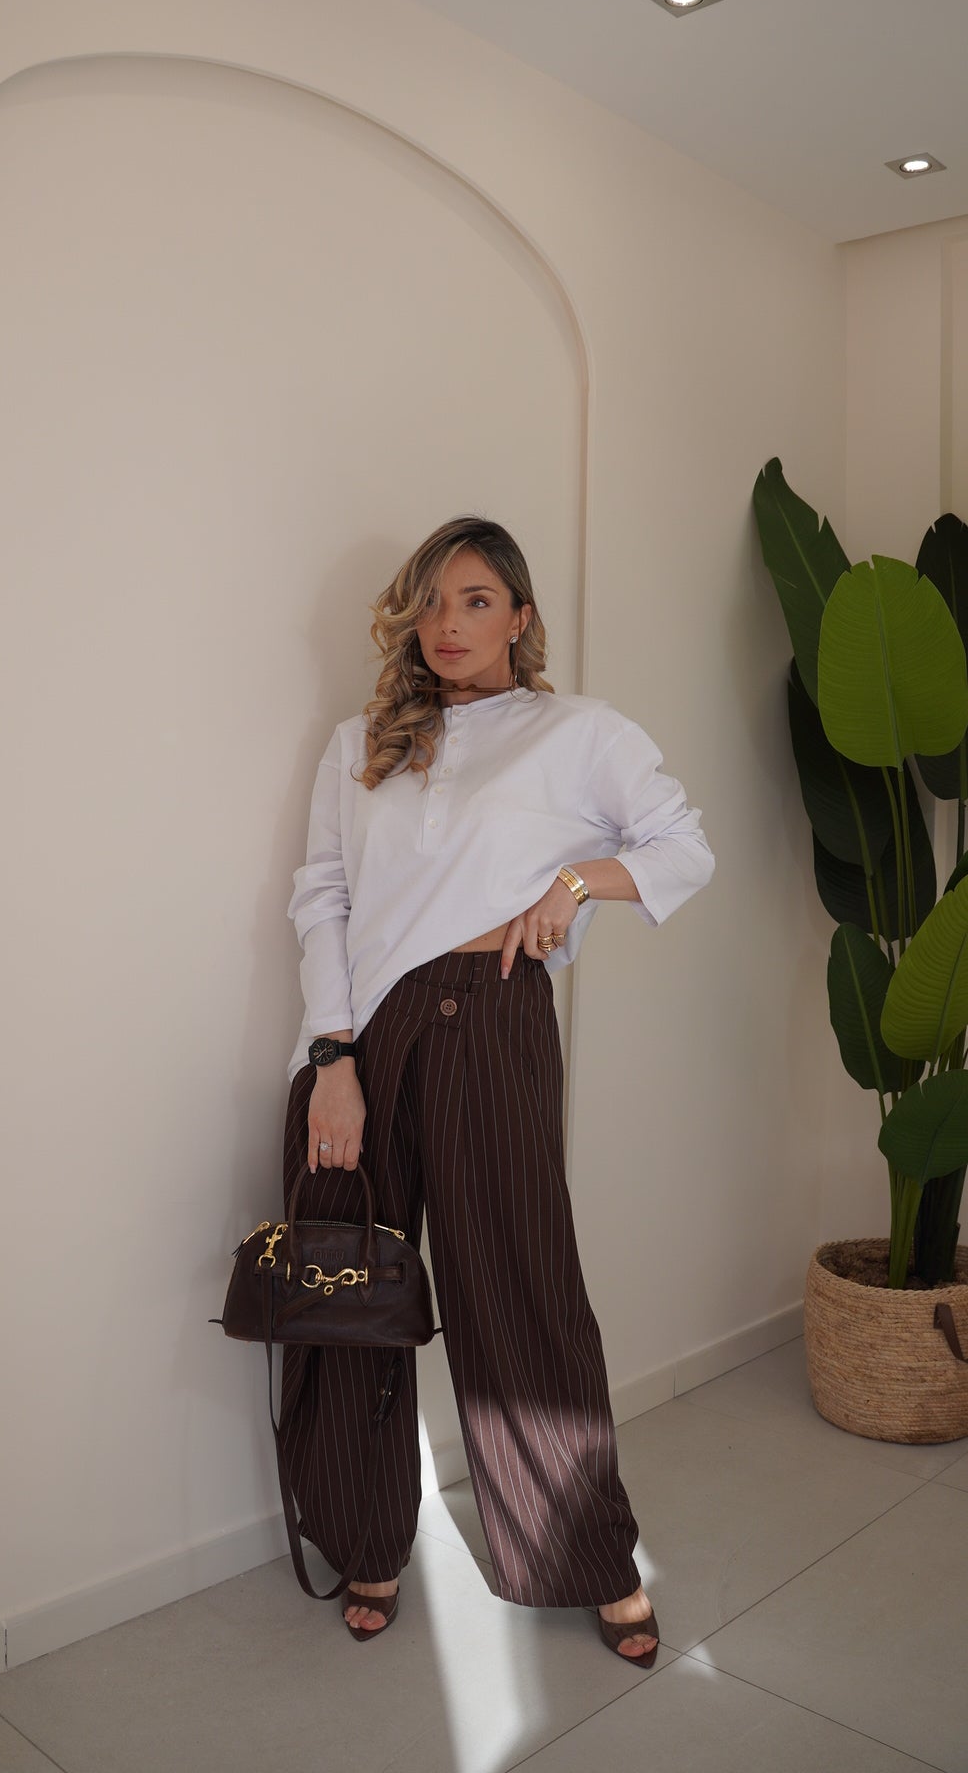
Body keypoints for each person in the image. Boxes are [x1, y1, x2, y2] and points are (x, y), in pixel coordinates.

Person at [277, 515, 714, 1659]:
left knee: (521, 1296)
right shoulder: (362, 742)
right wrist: (331, 1059)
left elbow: (682, 846)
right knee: (349, 1296)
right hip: (361, 1040)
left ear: (520, 616)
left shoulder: (578, 732)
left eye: (475, 600)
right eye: (430, 602)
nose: (449, 624)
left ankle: (586, 1554)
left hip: (492, 1022)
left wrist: (574, 885)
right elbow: (323, 896)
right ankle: (366, 1537)